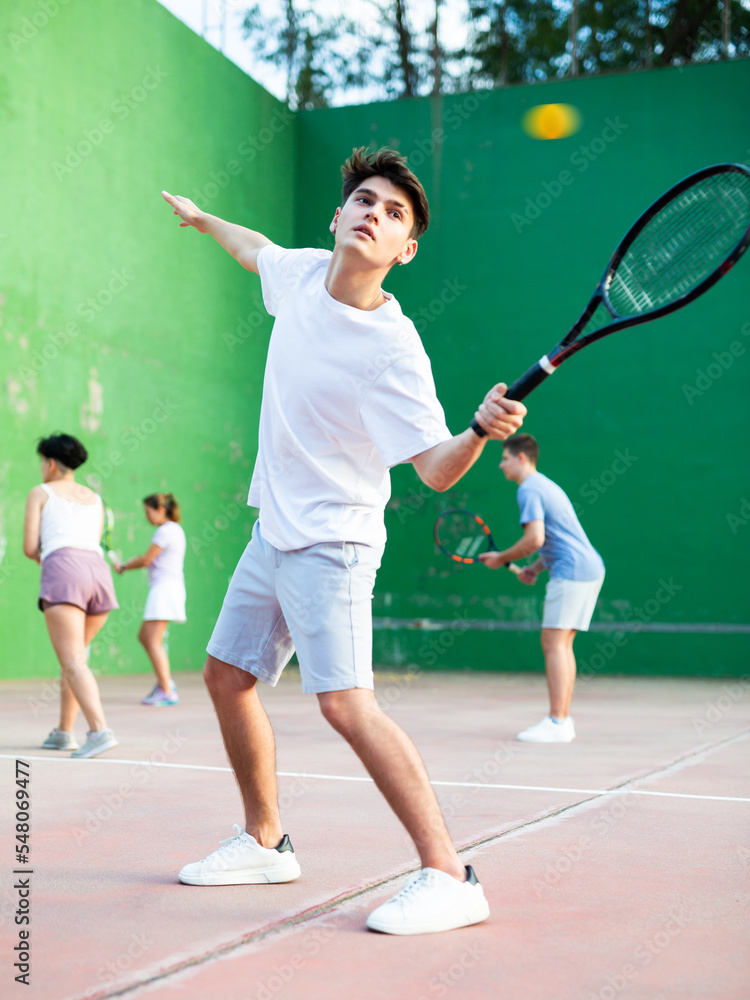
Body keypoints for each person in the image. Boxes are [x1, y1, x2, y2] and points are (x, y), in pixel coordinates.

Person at [161, 146, 526, 935]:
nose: (374, 214)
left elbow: (433, 469)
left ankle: (450, 874)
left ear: (407, 250)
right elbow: (252, 247)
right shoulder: (298, 276)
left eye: (395, 213)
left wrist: (475, 431)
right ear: (337, 217)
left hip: (335, 544)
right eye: (364, 199)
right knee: (226, 676)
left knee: (345, 705)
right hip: (274, 532)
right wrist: (200, 219)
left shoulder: (393, 350)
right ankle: (266, 842)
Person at [479, 433, 605, 743]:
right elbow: (555, 538)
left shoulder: (529, 489)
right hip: (588, 567)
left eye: (505, 458)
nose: (501, 465)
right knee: (561, 644)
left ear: (521, 458)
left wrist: (500, 558)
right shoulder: (546, 485)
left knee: (553, 644)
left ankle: (558, 722)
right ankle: (562, 720)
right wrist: (534, 569)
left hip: (572, 570)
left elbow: (534, 539)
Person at [23, 433, 120, 759]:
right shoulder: (95, 497)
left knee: (73, 661)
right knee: (77, 658)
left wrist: (50, 559)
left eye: (41, 462)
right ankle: (65, 732)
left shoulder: (41, 492)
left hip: (65, 571)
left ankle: (99, 730)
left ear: (50, 463)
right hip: (99, 575)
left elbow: (28, 547)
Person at [116, 493, 186, 706]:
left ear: (161, 510)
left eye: (148, 512)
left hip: (165, 590)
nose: (146, 516)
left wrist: (124, 566)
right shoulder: (174, 530)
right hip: (166, 589)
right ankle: (165, 683)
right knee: (145, 637)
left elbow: (146, 560)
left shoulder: (165, 531)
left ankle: (167, 690)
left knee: (152, 641)